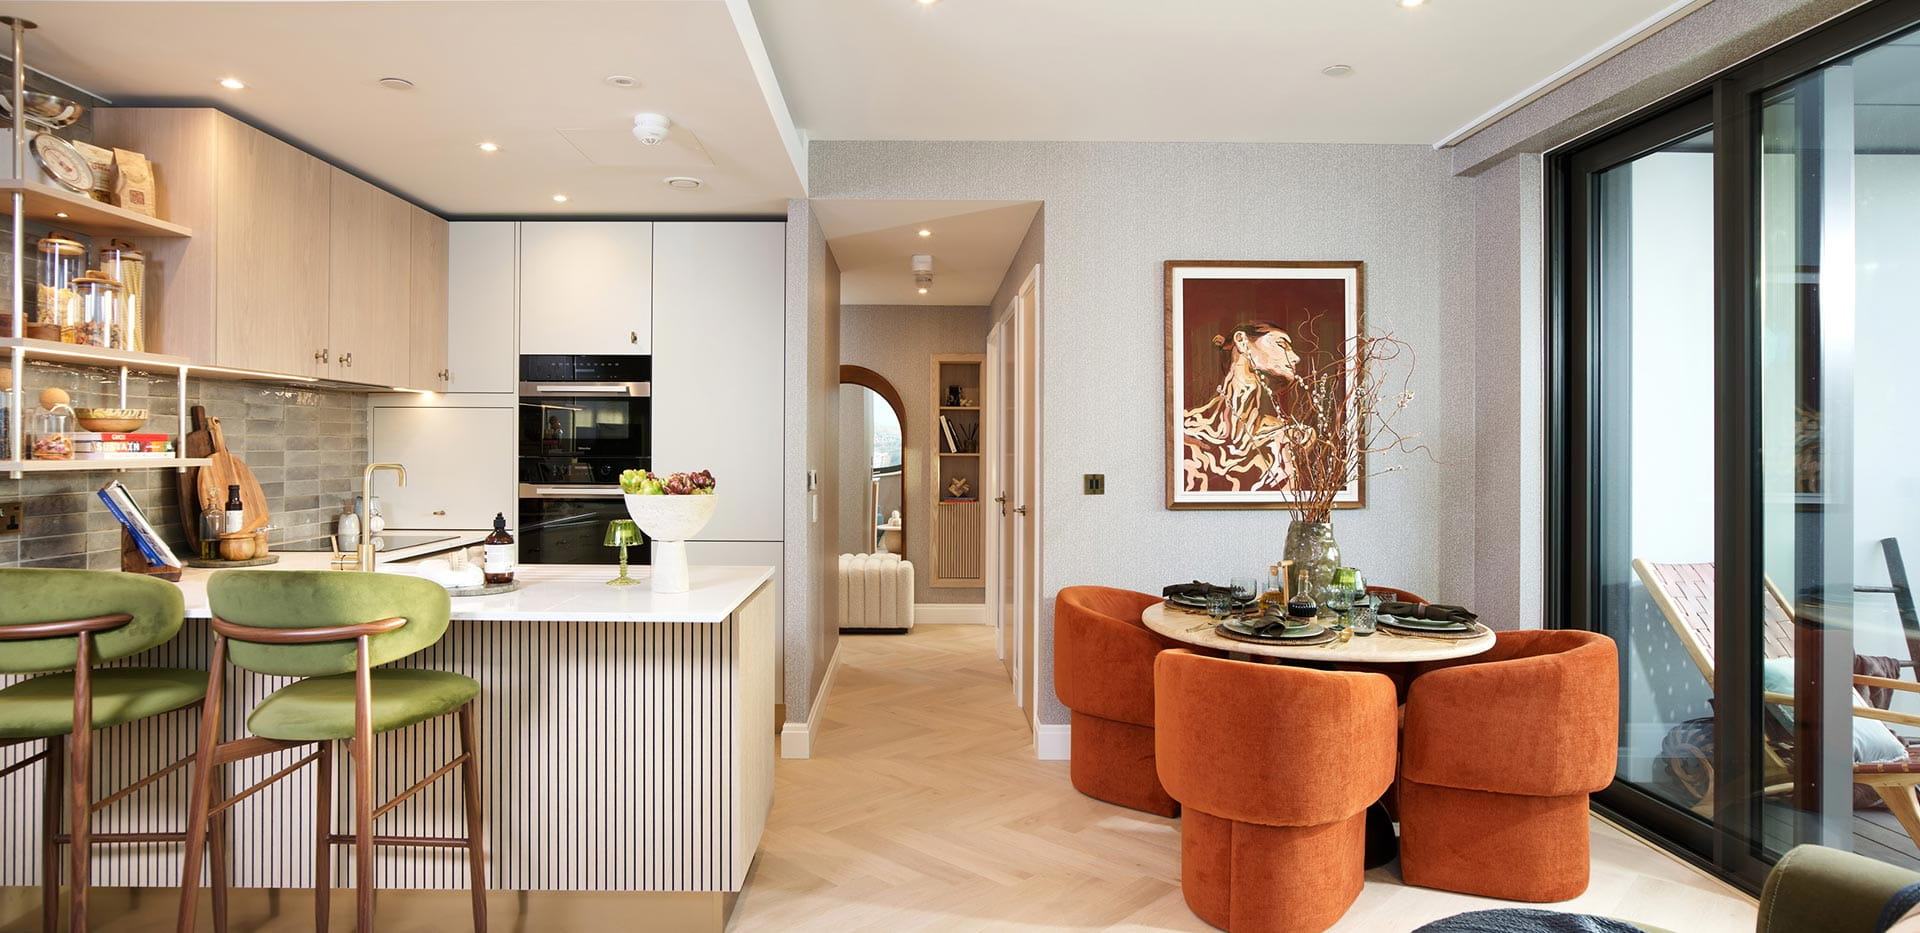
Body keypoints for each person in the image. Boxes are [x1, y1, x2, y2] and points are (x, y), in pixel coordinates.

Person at [1181, 321, 1303, 492]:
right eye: (1282, 345)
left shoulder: (1287, 437)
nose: (1296, 357)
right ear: (1242, 341)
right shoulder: (1183, 430)